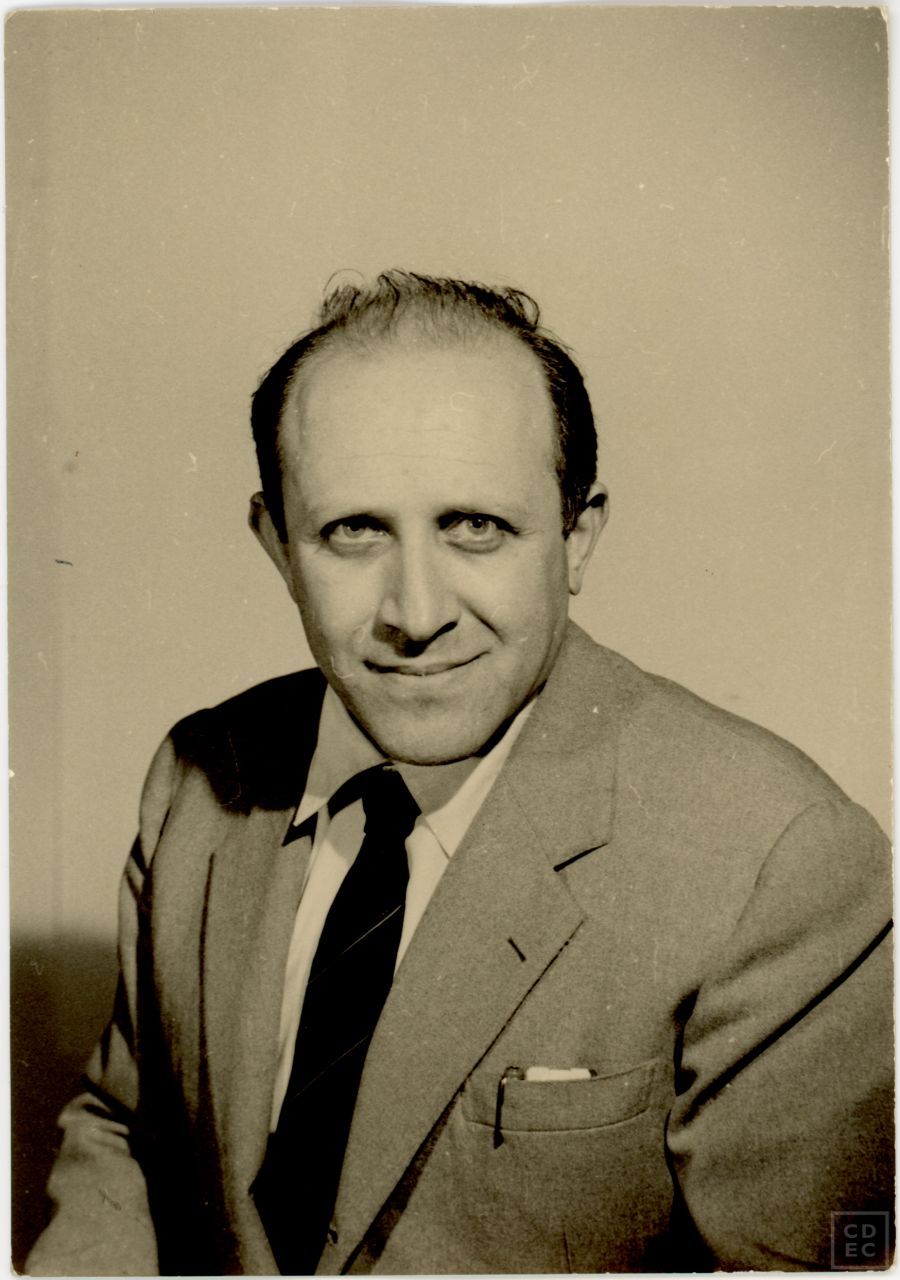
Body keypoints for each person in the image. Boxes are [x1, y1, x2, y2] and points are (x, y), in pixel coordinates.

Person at [27, 272, 892, 1276]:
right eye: (353, 530)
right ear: (278, 546)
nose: (417, 611)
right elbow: (128, 1131)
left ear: (576, 537)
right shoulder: (201, 777)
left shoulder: (778, 858)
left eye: (475, 526)